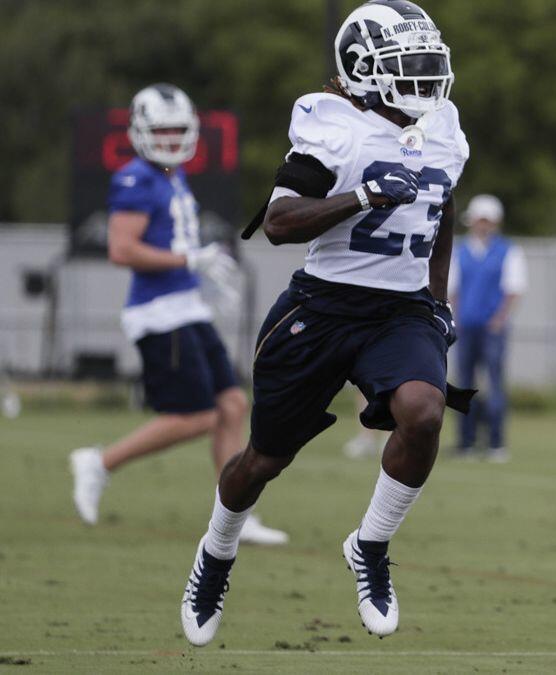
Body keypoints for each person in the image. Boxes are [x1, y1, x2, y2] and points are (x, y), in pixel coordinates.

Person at [176, 0, 468, 646]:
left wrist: (438, 299)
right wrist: (361, 196)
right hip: (323, 306)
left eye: (428, 64)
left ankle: (370, 544)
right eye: (407, 66)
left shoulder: (442, 125)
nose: (424, 79)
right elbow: (280, 222)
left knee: (424, 411)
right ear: (362, 69)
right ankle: (217, 549)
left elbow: (442, 208)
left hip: (400, 309)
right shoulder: (333, 125)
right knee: (261, 460)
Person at [69, 83, 287, 546]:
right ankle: (99, 462)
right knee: (195, 416)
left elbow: (172, 242)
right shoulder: (135, 178)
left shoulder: (172, 174)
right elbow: (121, 248)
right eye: (161, 130)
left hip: (186, 307)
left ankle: (234, 517)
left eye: (177, 130)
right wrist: (189, 262)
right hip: (159, 313)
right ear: (140, 131)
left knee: (232, 406)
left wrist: (202, 275)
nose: (170, 139)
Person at [449, 194, 527, 462]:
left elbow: (513, 289)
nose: (483, 225)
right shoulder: (459, 250)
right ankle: (466, 442)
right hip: (466, 327)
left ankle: (495, 443)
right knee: (465, 385)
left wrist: (499, 319)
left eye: (487, 221)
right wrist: (455, 318)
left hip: (493, 328)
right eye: (479, 220)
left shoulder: (508, 250)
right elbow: (453, 290)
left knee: (493, 384)